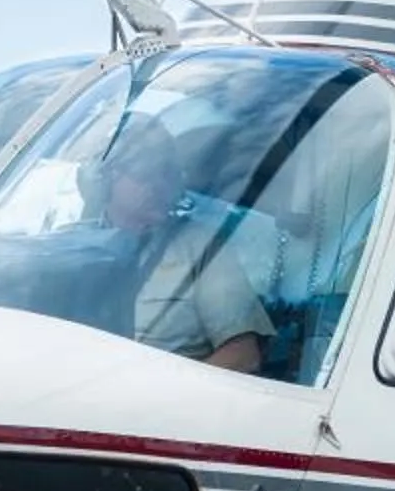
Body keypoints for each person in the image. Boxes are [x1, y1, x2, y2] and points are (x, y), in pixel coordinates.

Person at [93, 123, 281, 373]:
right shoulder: (76, 245)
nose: (160, 186)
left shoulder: (201, 245)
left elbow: (243, 355)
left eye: (168, 173)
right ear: (108, 178)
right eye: (146, 173)